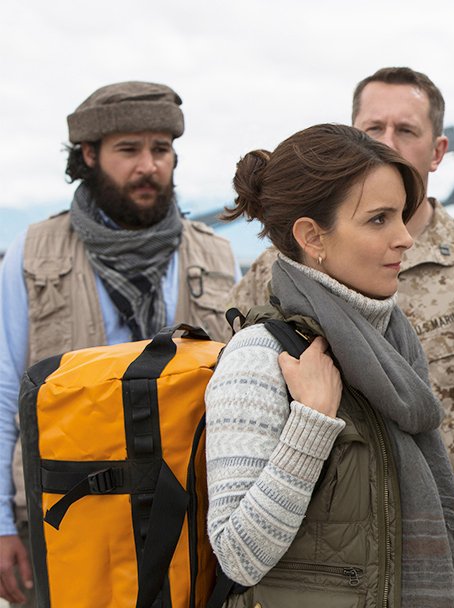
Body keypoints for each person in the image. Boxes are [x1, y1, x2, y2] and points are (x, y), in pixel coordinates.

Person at [228, 67, 454, 608]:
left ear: (437, 151)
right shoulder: (279, 273)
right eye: (373, 129)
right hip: (331, 572)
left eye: (406, 130)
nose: (387, 142)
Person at [206, 123, 454, 607]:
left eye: (401, 216)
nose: (404, 238)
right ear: (313, 237)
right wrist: (310, 423)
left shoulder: (390, 344)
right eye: (378, 220)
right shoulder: (259, 358)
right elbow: (237, 556)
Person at [0, 81, 237, 606]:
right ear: (89, 155)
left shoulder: (218, 257)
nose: (148, 166)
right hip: (66, 515)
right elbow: (2, 393)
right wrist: (0, 525)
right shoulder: (31, 254)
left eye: (161, 150)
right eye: (128, 150)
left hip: (192, 514)